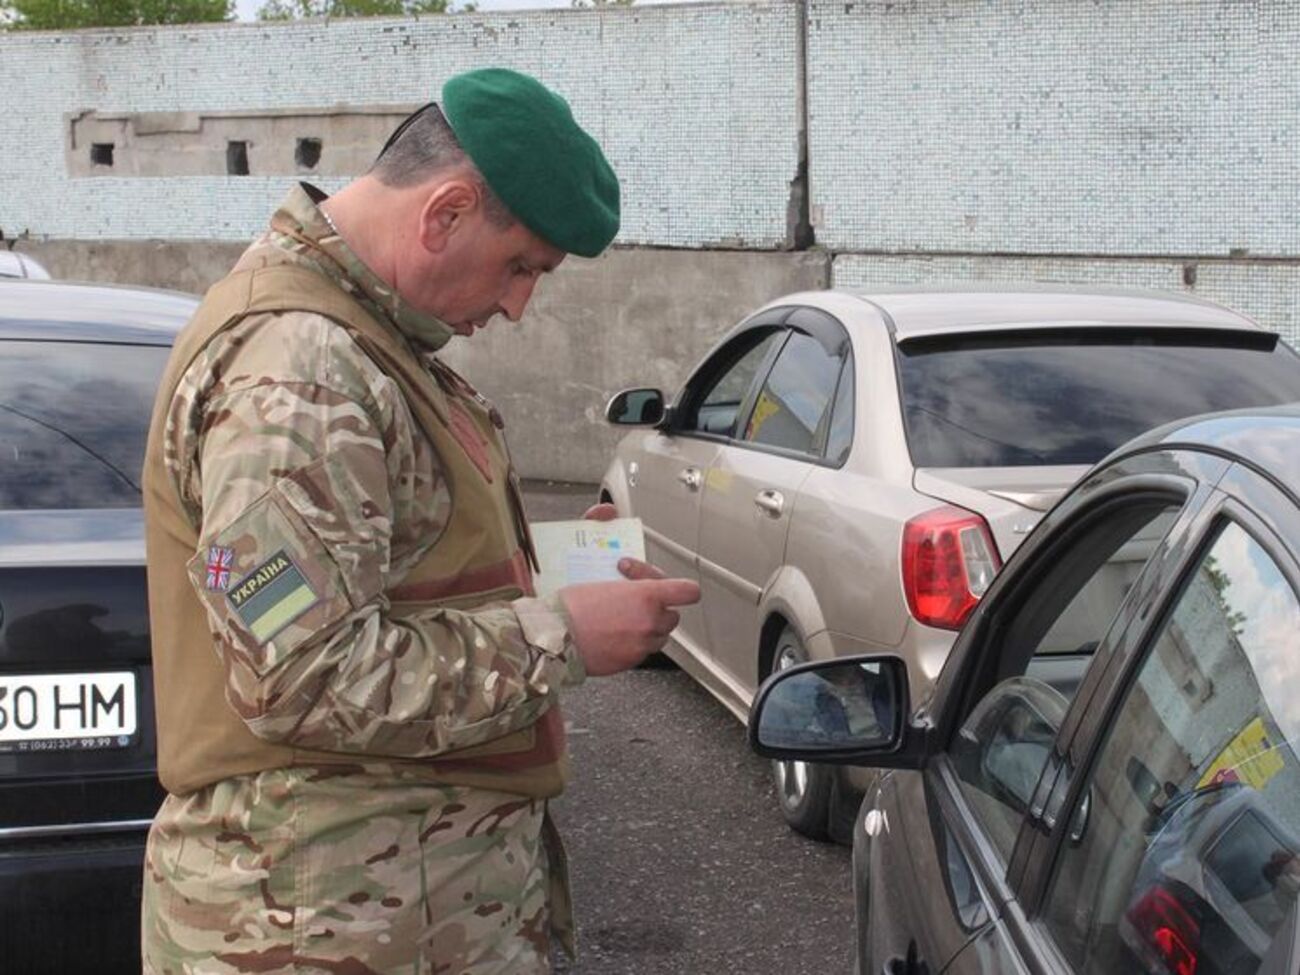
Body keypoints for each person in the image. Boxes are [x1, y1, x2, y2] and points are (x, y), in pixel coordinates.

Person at [140, 67, 700, 975]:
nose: (520, 302)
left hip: (375, 910)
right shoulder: (302, 369)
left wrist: (543, 574)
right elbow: (298, 676)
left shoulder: (366, 339)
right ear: (443, 213)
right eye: (522, 265)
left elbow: (390, 569)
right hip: (317, 928)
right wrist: (559, 635)